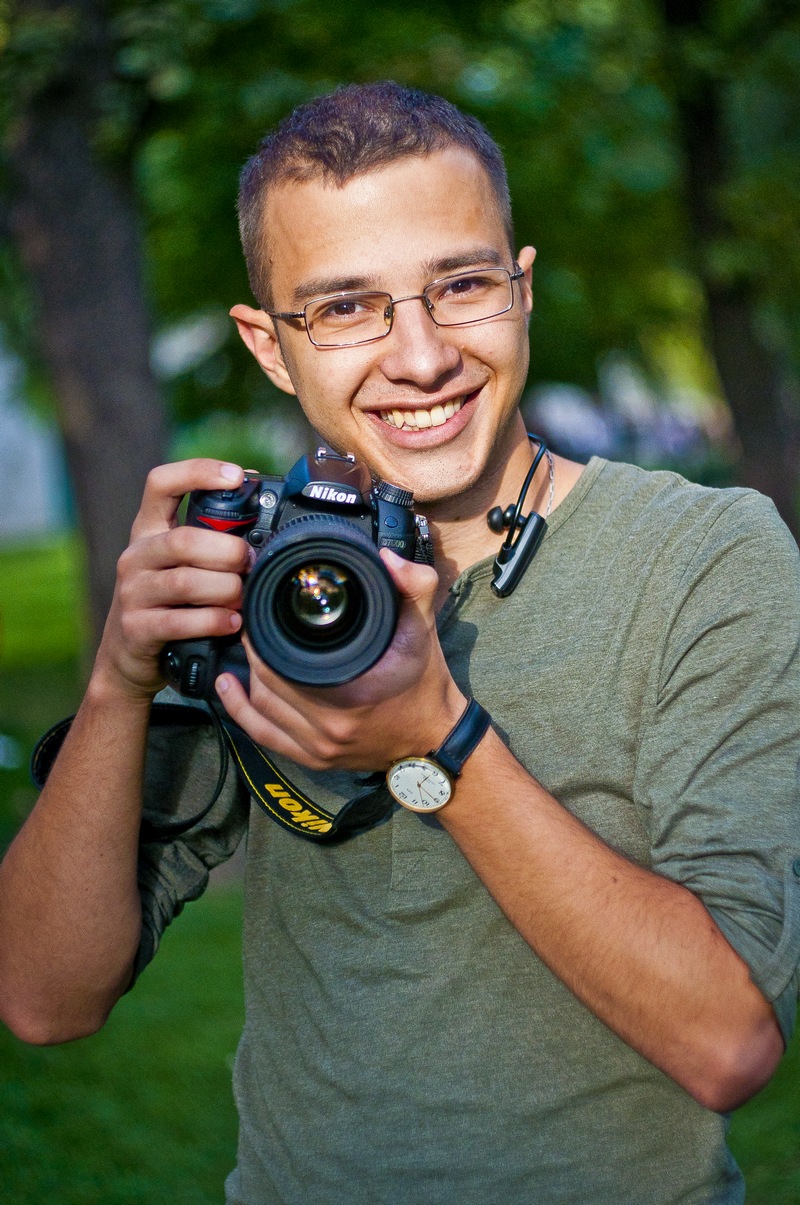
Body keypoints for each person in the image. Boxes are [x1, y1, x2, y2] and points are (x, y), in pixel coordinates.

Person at [1, 81, 799, 1205]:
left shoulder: (703, 554)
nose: (419, 358)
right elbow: (43, 999)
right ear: (269, 346)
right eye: (344, 307)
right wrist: (120, 679)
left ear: (522, 288)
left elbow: (730, 1045)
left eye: (460, 285)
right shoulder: (266, 585)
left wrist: (436, 742)